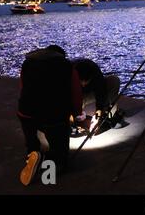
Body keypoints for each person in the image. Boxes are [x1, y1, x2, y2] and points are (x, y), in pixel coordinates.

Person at [17, 45, 86, 186]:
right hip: (54, 113)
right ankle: (50, 173)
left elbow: (23, 85)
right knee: (57, 145)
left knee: (32, 138)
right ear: (61, 55)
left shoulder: (28, 62)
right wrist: (76, 114)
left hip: (26, 111)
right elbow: (76, 93)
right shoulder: (66, 66)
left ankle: (33, 154)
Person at [72, 58, 127, 133]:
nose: (83, 85)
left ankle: (108, 117)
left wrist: (99, 110)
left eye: (86, 82)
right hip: (75, 96)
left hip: (89, 93)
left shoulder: (95, 71)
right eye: (81, 82)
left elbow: (101, 91)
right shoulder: (68, 72)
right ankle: (75, 119)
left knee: (114, 80)